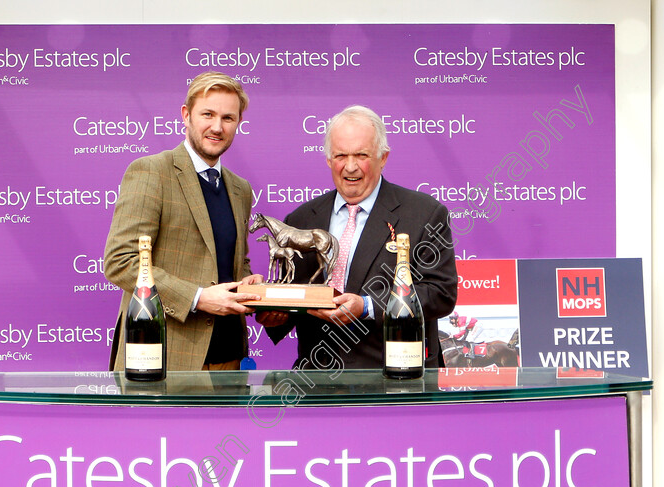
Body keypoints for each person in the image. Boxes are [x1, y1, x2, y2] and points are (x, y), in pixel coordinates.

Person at [259, 105, 457, 369]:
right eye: (341, 155)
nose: (350, 167)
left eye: (361, 155)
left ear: (383, 157)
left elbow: (440, 292)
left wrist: (367, 306)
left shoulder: (425, 214)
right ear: (329, 160)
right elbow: (294, 298)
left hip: (396, 378)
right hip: (317, 382)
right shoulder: (301, 219)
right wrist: (276, 315)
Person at [104, 71, 263, 372]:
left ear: (239, 123)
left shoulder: (240, 188)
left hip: (229, 360)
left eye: (228, 118)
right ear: (186, 115)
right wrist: (198, 298)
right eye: (208, 114)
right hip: (165, 360)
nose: (217, 127)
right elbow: (121, 262)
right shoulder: (152, 172)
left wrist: (247, 282)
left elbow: (230, 264)